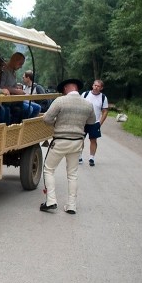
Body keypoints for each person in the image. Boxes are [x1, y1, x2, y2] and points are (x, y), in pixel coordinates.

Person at [40, 78, 96, 215]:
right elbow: (92, 121)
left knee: (49, 169)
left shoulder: (60, 101)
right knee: (72, 174)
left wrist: (57, 124)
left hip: (60, 140)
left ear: (65, 88)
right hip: (77, 142)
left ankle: (51, 201)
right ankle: (71, 205)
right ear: (77, 88)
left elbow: (46, 118)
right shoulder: (88, 104)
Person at [0, 52, 41, 122]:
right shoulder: (4, 70)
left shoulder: (13, 72)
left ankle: (25, 128)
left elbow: (13, 86)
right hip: (7, 99)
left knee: (37, 108)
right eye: (20, 64)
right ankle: (18, 128)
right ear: (14, 60)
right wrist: (16, 91)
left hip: (15, 98)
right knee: (29, 109)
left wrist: (17, 88)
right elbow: (1, 86)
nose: (21, 67)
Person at [80, 79, 109, 166]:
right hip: (83, 122)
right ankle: (79, 156)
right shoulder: (85, 94)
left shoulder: (103, 97)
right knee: (80, 139)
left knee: (93, 140)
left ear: (101, 88)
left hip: (95, 122)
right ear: (92, 85)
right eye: (95, 85)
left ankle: (91, 158)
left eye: (98, 86)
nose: (96, 87)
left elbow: (105, 111)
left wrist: (100, 123)